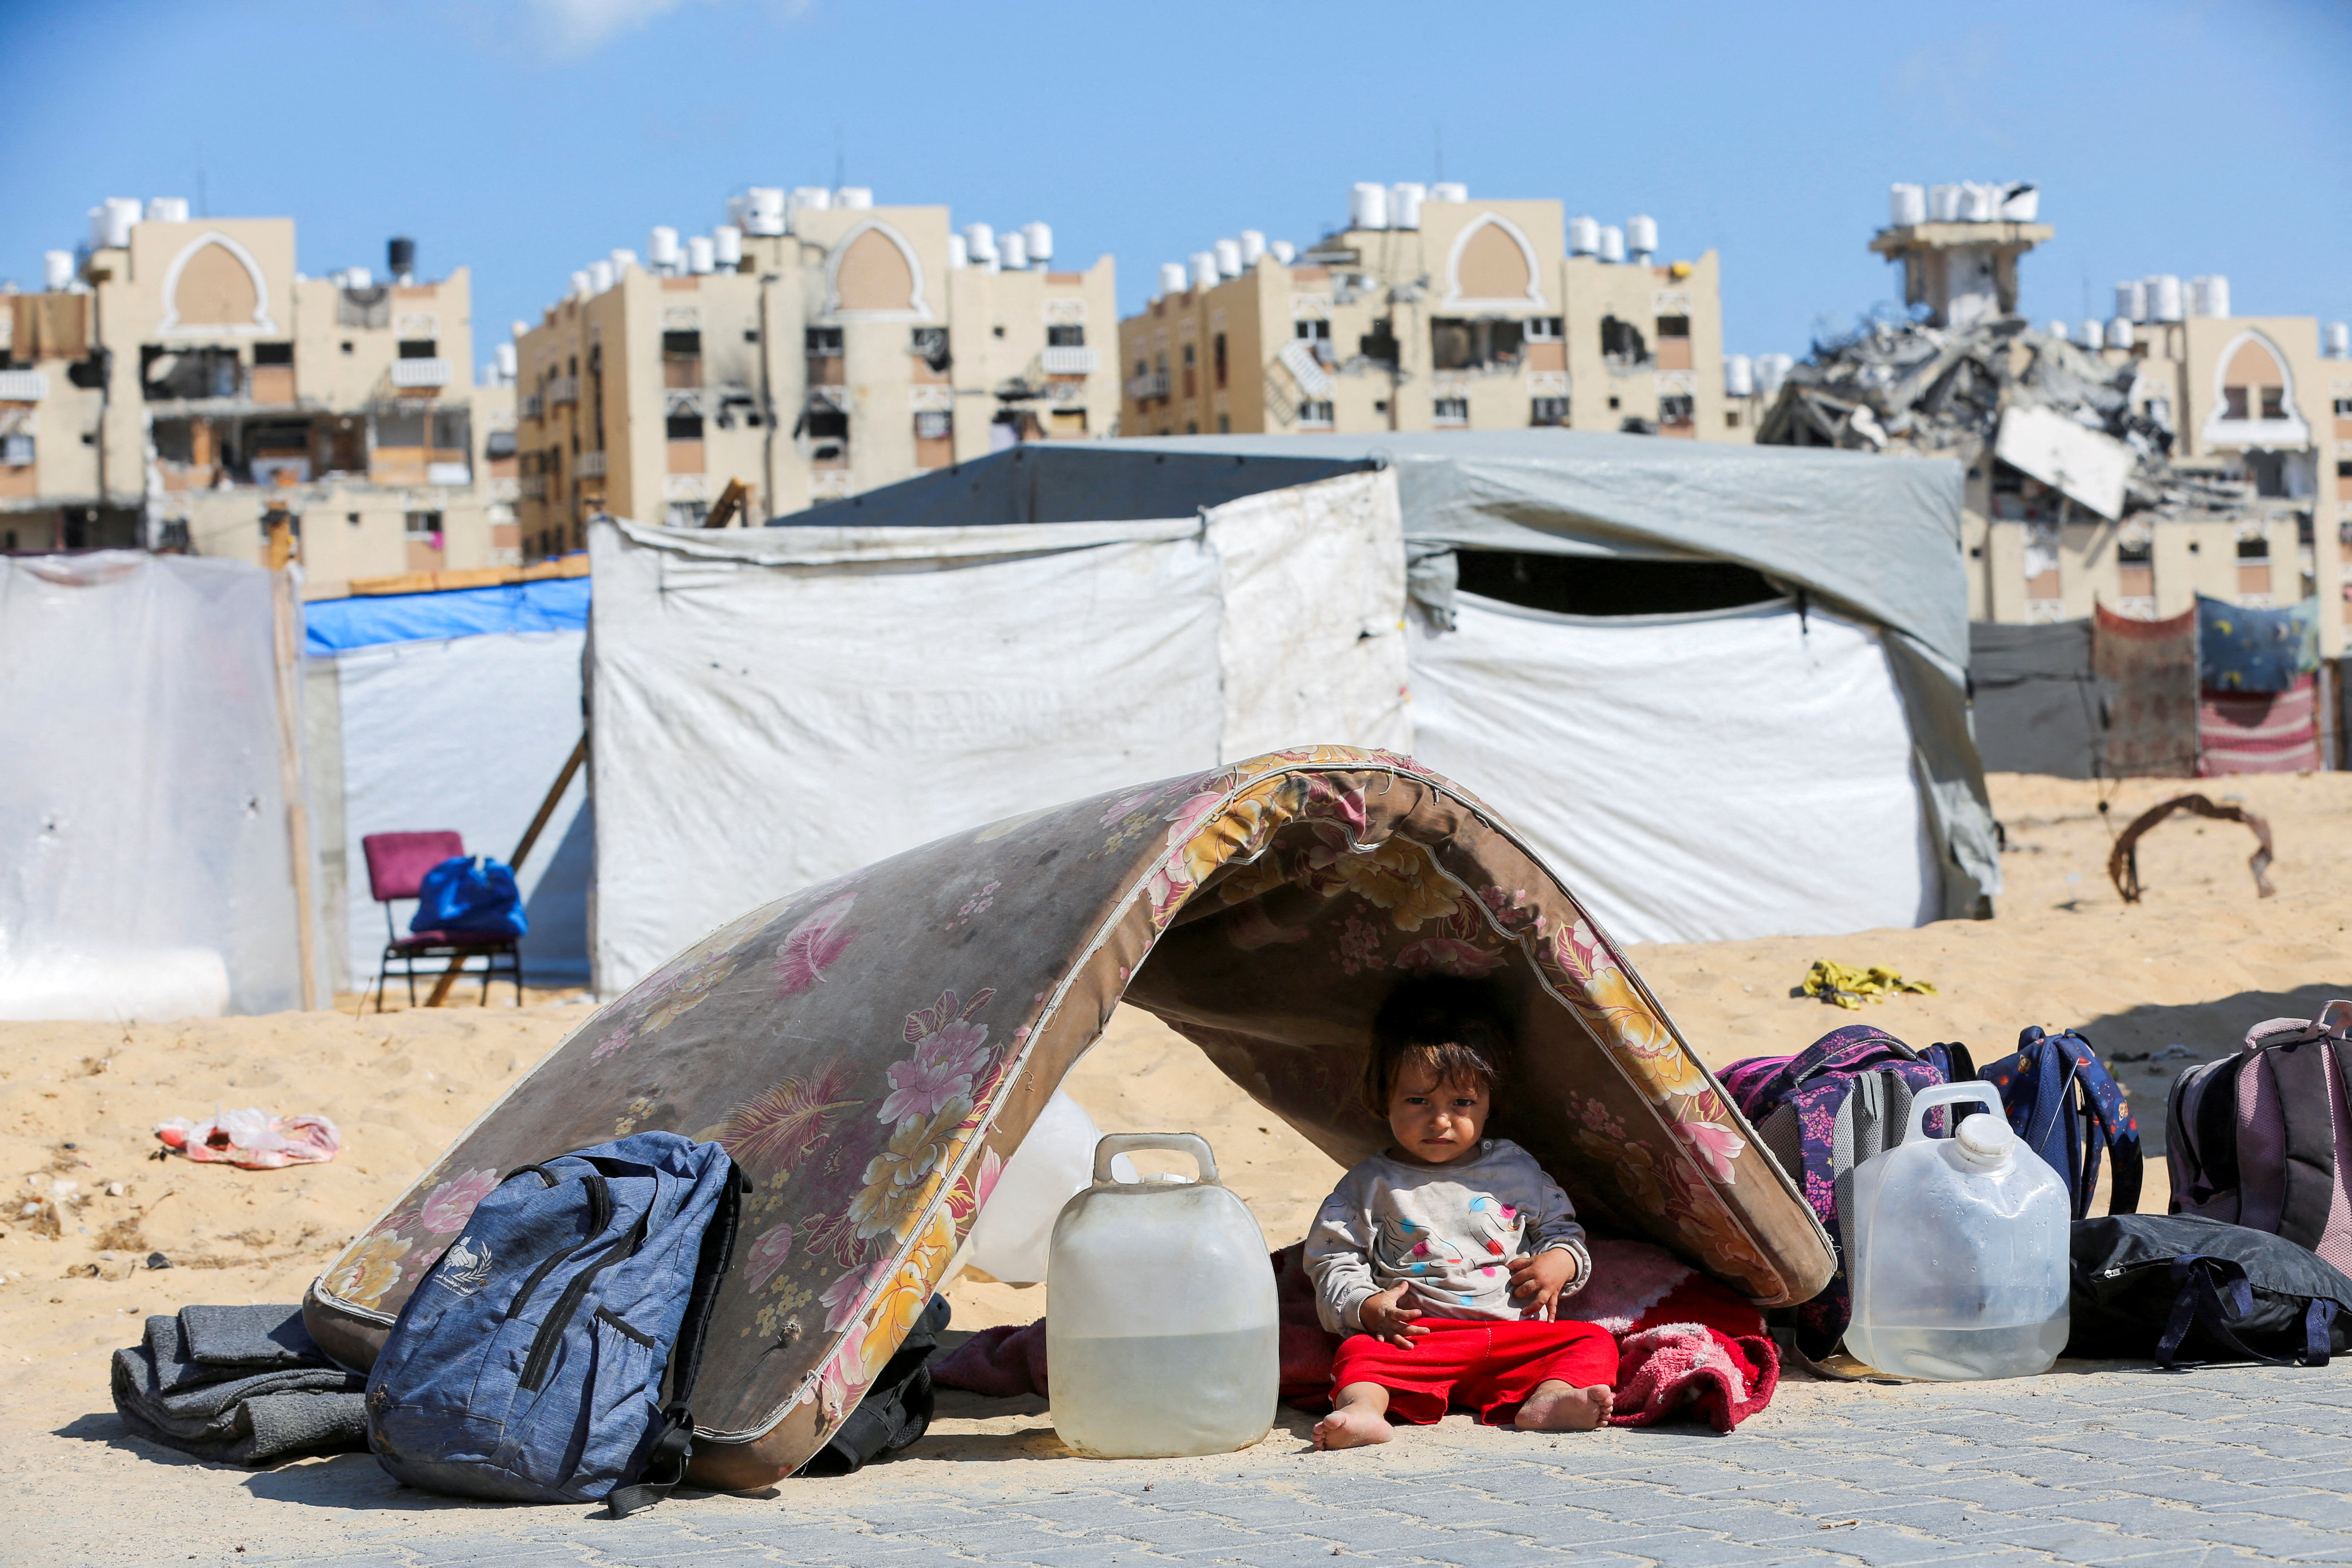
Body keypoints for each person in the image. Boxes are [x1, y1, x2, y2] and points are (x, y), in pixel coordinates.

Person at [1305, 977, 1616, 1449]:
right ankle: (1363, 1411)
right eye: (1417, 1101)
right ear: (1382, 1096)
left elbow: (1560, 1229)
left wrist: (1559, 1264)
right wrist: (1367, 1307)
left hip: (1511, 1336)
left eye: (1462, 1102)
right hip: (1420, 1341)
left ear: (1491, 1101)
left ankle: (1550, 1400)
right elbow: (1332, 1259)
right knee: (1357, 1353)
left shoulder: (1516, 1168)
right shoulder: (1367, 1184)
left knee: (1591, 1341)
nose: (1440, 1119)